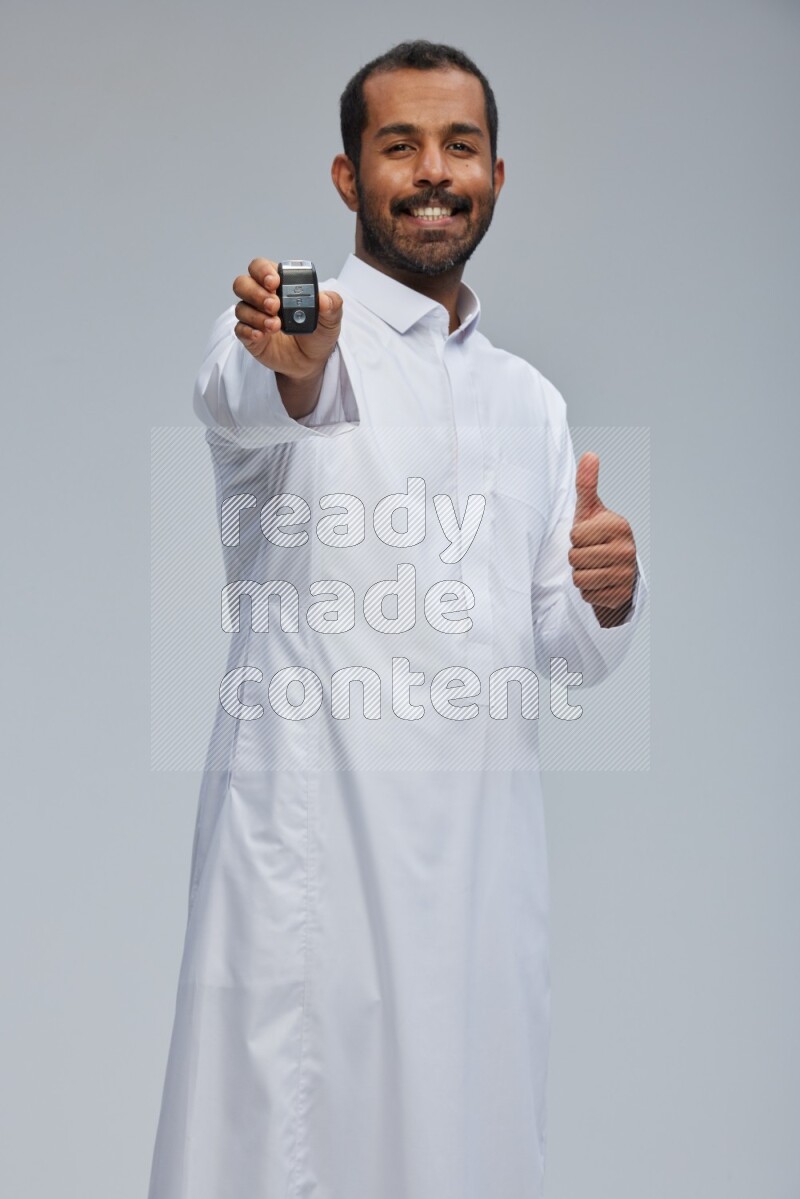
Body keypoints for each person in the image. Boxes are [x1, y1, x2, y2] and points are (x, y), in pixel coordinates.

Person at [148, 39, 647, 1199]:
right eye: (398, 145)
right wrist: (296, 365)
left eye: (457, 145)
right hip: (310, 871)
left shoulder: (528, 399)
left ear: (495, 175)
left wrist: (604, 596)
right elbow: (253, 398)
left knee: (465, 1149)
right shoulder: (278, 334)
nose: (431, 171)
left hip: (476, 875)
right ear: (345, 176)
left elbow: (554, 646)